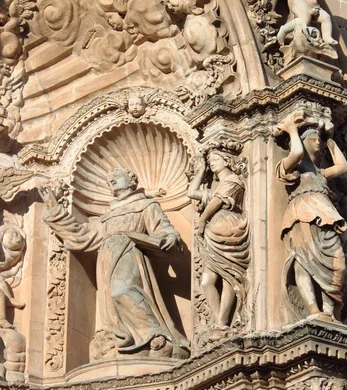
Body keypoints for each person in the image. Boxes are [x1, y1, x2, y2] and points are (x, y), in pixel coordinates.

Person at [40, 167, 190, 360]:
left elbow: (163, 229)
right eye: (109, 179)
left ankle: (154, 334)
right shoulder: (107, 217)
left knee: (123, 291)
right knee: (111, 302)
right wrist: (55, 210)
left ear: (131, 181)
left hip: (129, 253)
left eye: (116, 177)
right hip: (107, 259)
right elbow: (82, 234)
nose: (111, 180)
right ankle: (128, 340)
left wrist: (170, 237)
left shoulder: (146, 205)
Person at [275, 111, 347, 322]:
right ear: (303, 141)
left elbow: (343, 167)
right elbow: (297, 153)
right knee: (303, 262)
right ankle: (313, 309)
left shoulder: (320, 173)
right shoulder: (291, 167)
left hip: (325, 214)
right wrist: (291, 129)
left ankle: (329, 310)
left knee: (338, 263)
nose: (317, 143)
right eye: (313, 139)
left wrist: (329, 139)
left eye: (319, 140)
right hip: (301, 214)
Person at [187, 142, 249, 332]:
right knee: (207, 281)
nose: (212, 163)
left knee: (229, 274)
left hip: (229, 228)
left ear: (227, 160)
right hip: (214, 232)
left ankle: (222, 322)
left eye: (215, 160)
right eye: (210, 161)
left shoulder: (233, 181)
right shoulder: (217, 186)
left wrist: (203, 220)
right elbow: (190, 192)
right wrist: (201, 171)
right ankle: (218, 321)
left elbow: (216, 202)